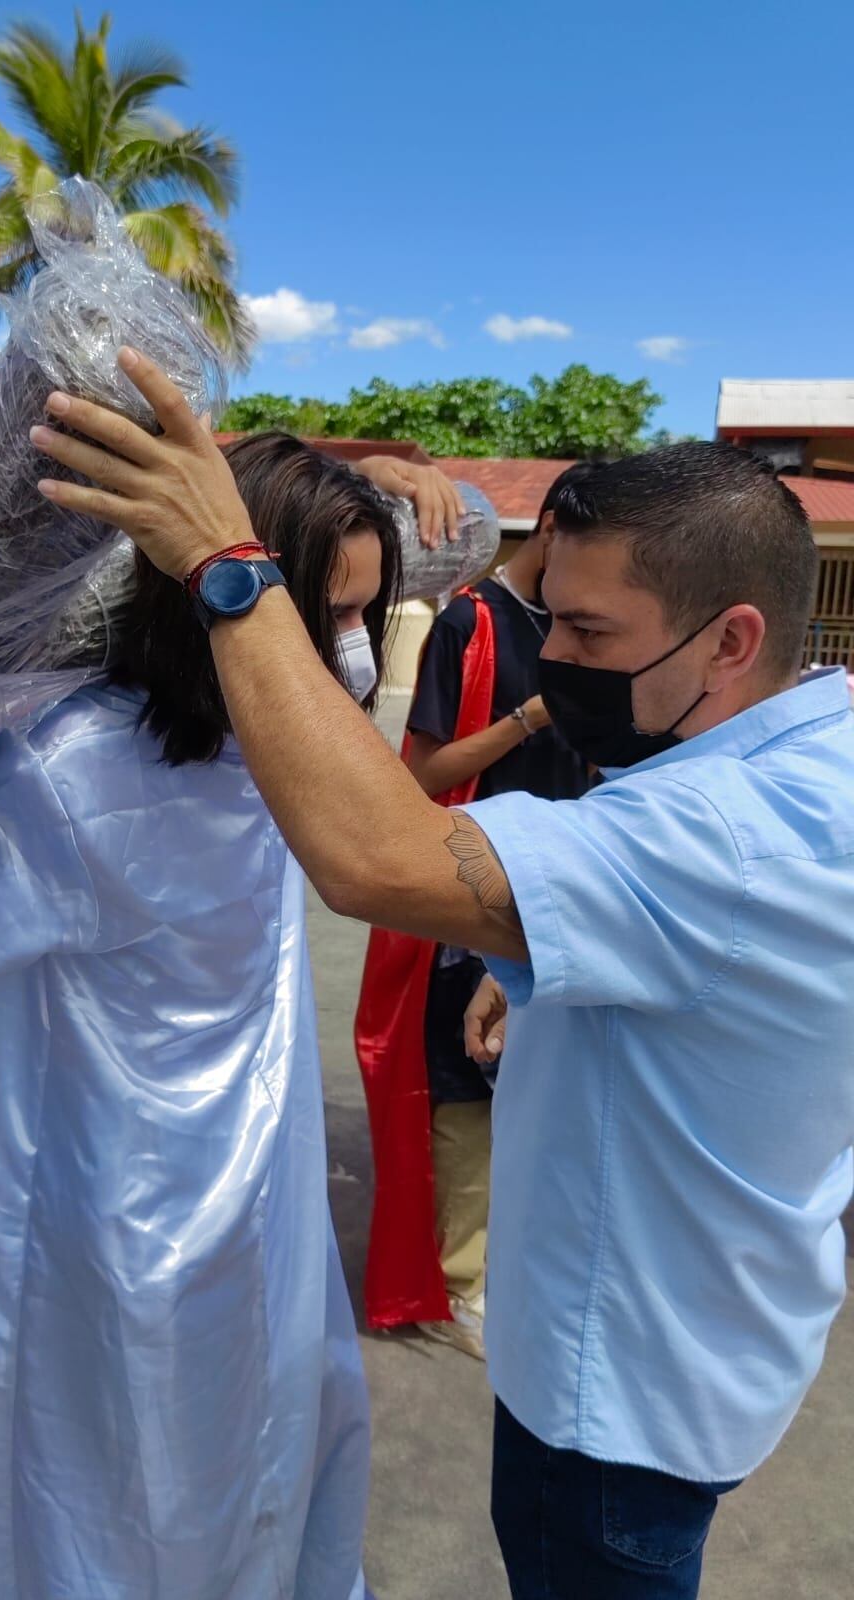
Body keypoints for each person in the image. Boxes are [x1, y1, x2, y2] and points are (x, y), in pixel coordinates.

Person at [35, 350, 854, 1600]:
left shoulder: (731, 839)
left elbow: (373, 855)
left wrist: (227, 566)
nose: (558, 653)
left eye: (587, 631)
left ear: (730, 638)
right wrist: (533, 956)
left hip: (620, 1401)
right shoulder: (813, 749)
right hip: (720, 1340)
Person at [0, 432, 456, 1600]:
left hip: (270, 1185)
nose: (350, 656)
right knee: (131, 1490)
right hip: (120, 1215)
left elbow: (484, 542)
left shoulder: (284, 754)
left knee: (281, 1441)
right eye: (328, 617)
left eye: (366, 616)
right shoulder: (73, 771)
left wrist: (391, 470)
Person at [355, 465, 591, 1356]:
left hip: (564, 884)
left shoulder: (587, 626)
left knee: (544, 1085)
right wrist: (531, 718)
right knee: (464, 1092)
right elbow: (420, 778)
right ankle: (458, 1283)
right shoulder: (471, 620)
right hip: (476, 890)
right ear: (556, 532)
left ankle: (508, 1263)